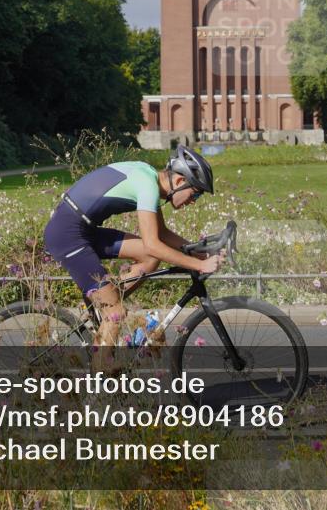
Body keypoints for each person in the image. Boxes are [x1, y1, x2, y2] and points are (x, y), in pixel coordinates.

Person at [43, 145, 223, 365]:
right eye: (195, 193)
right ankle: (101, 374)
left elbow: (161, 234)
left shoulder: (149, 177)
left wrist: (196, 251)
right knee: (116, 312)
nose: (193, 201)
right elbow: (153, 244)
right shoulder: (148, 186)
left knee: (149, 258)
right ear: (179, 181)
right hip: (67, 235)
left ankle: (105, 302)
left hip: (82, 229)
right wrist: (199, 265)